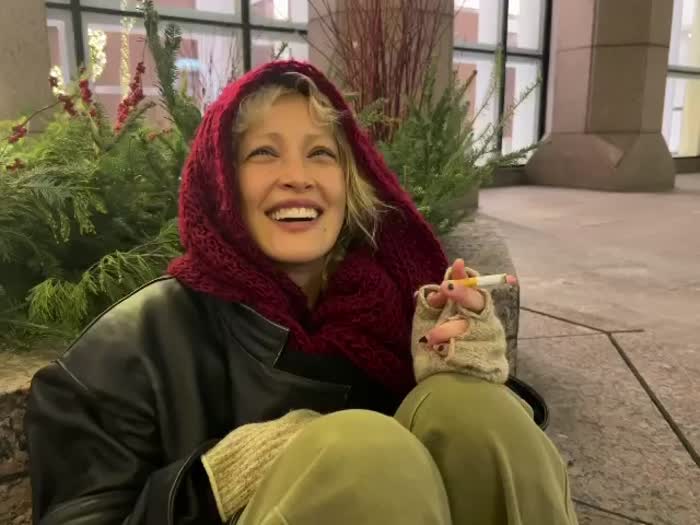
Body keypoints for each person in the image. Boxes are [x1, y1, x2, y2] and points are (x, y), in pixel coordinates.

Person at [25, 60, 578, 525]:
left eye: (321, 153)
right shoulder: (131, 347)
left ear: (352, 182)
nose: (298, 176)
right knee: (363, 453)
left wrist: (466, 374)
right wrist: (219, 480)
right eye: (263, 153)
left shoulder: (393, 312)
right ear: (220, 183)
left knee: (472, 410)